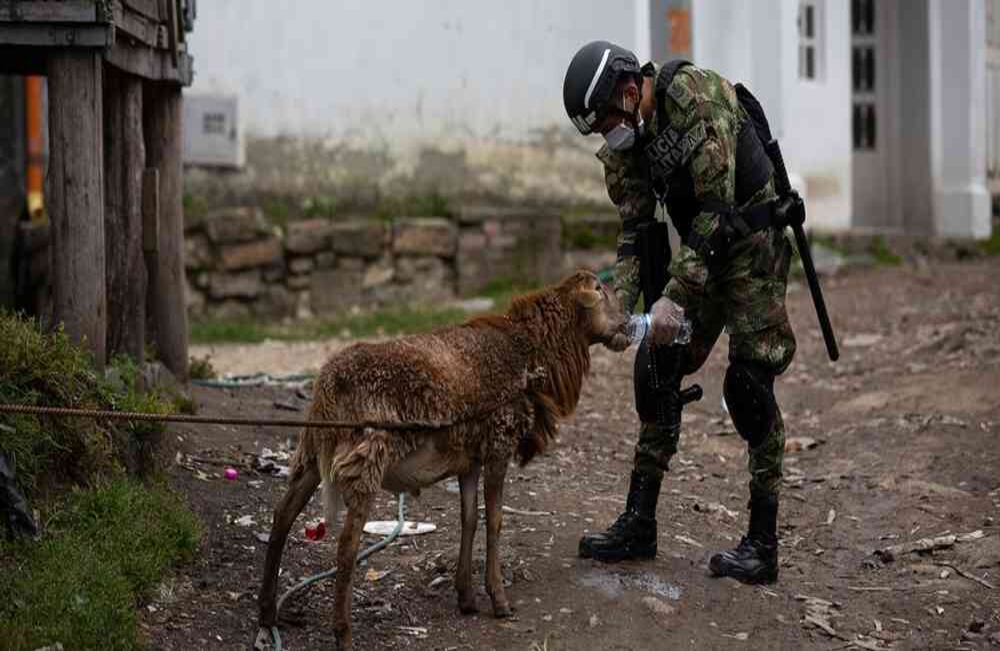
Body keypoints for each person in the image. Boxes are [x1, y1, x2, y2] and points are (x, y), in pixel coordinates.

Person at [563, 41, 797, 584]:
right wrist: (616, 307)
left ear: (628, 91)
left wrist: (673, 298)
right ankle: (639, 523)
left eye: (605, 123)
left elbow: (716, 212)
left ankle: (763, 544)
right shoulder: (627, 146)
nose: (607, 136)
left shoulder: (694, 97)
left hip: (750, 243)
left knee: (748, 386)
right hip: (704, 247)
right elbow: (634, 231)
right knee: (657, 368)